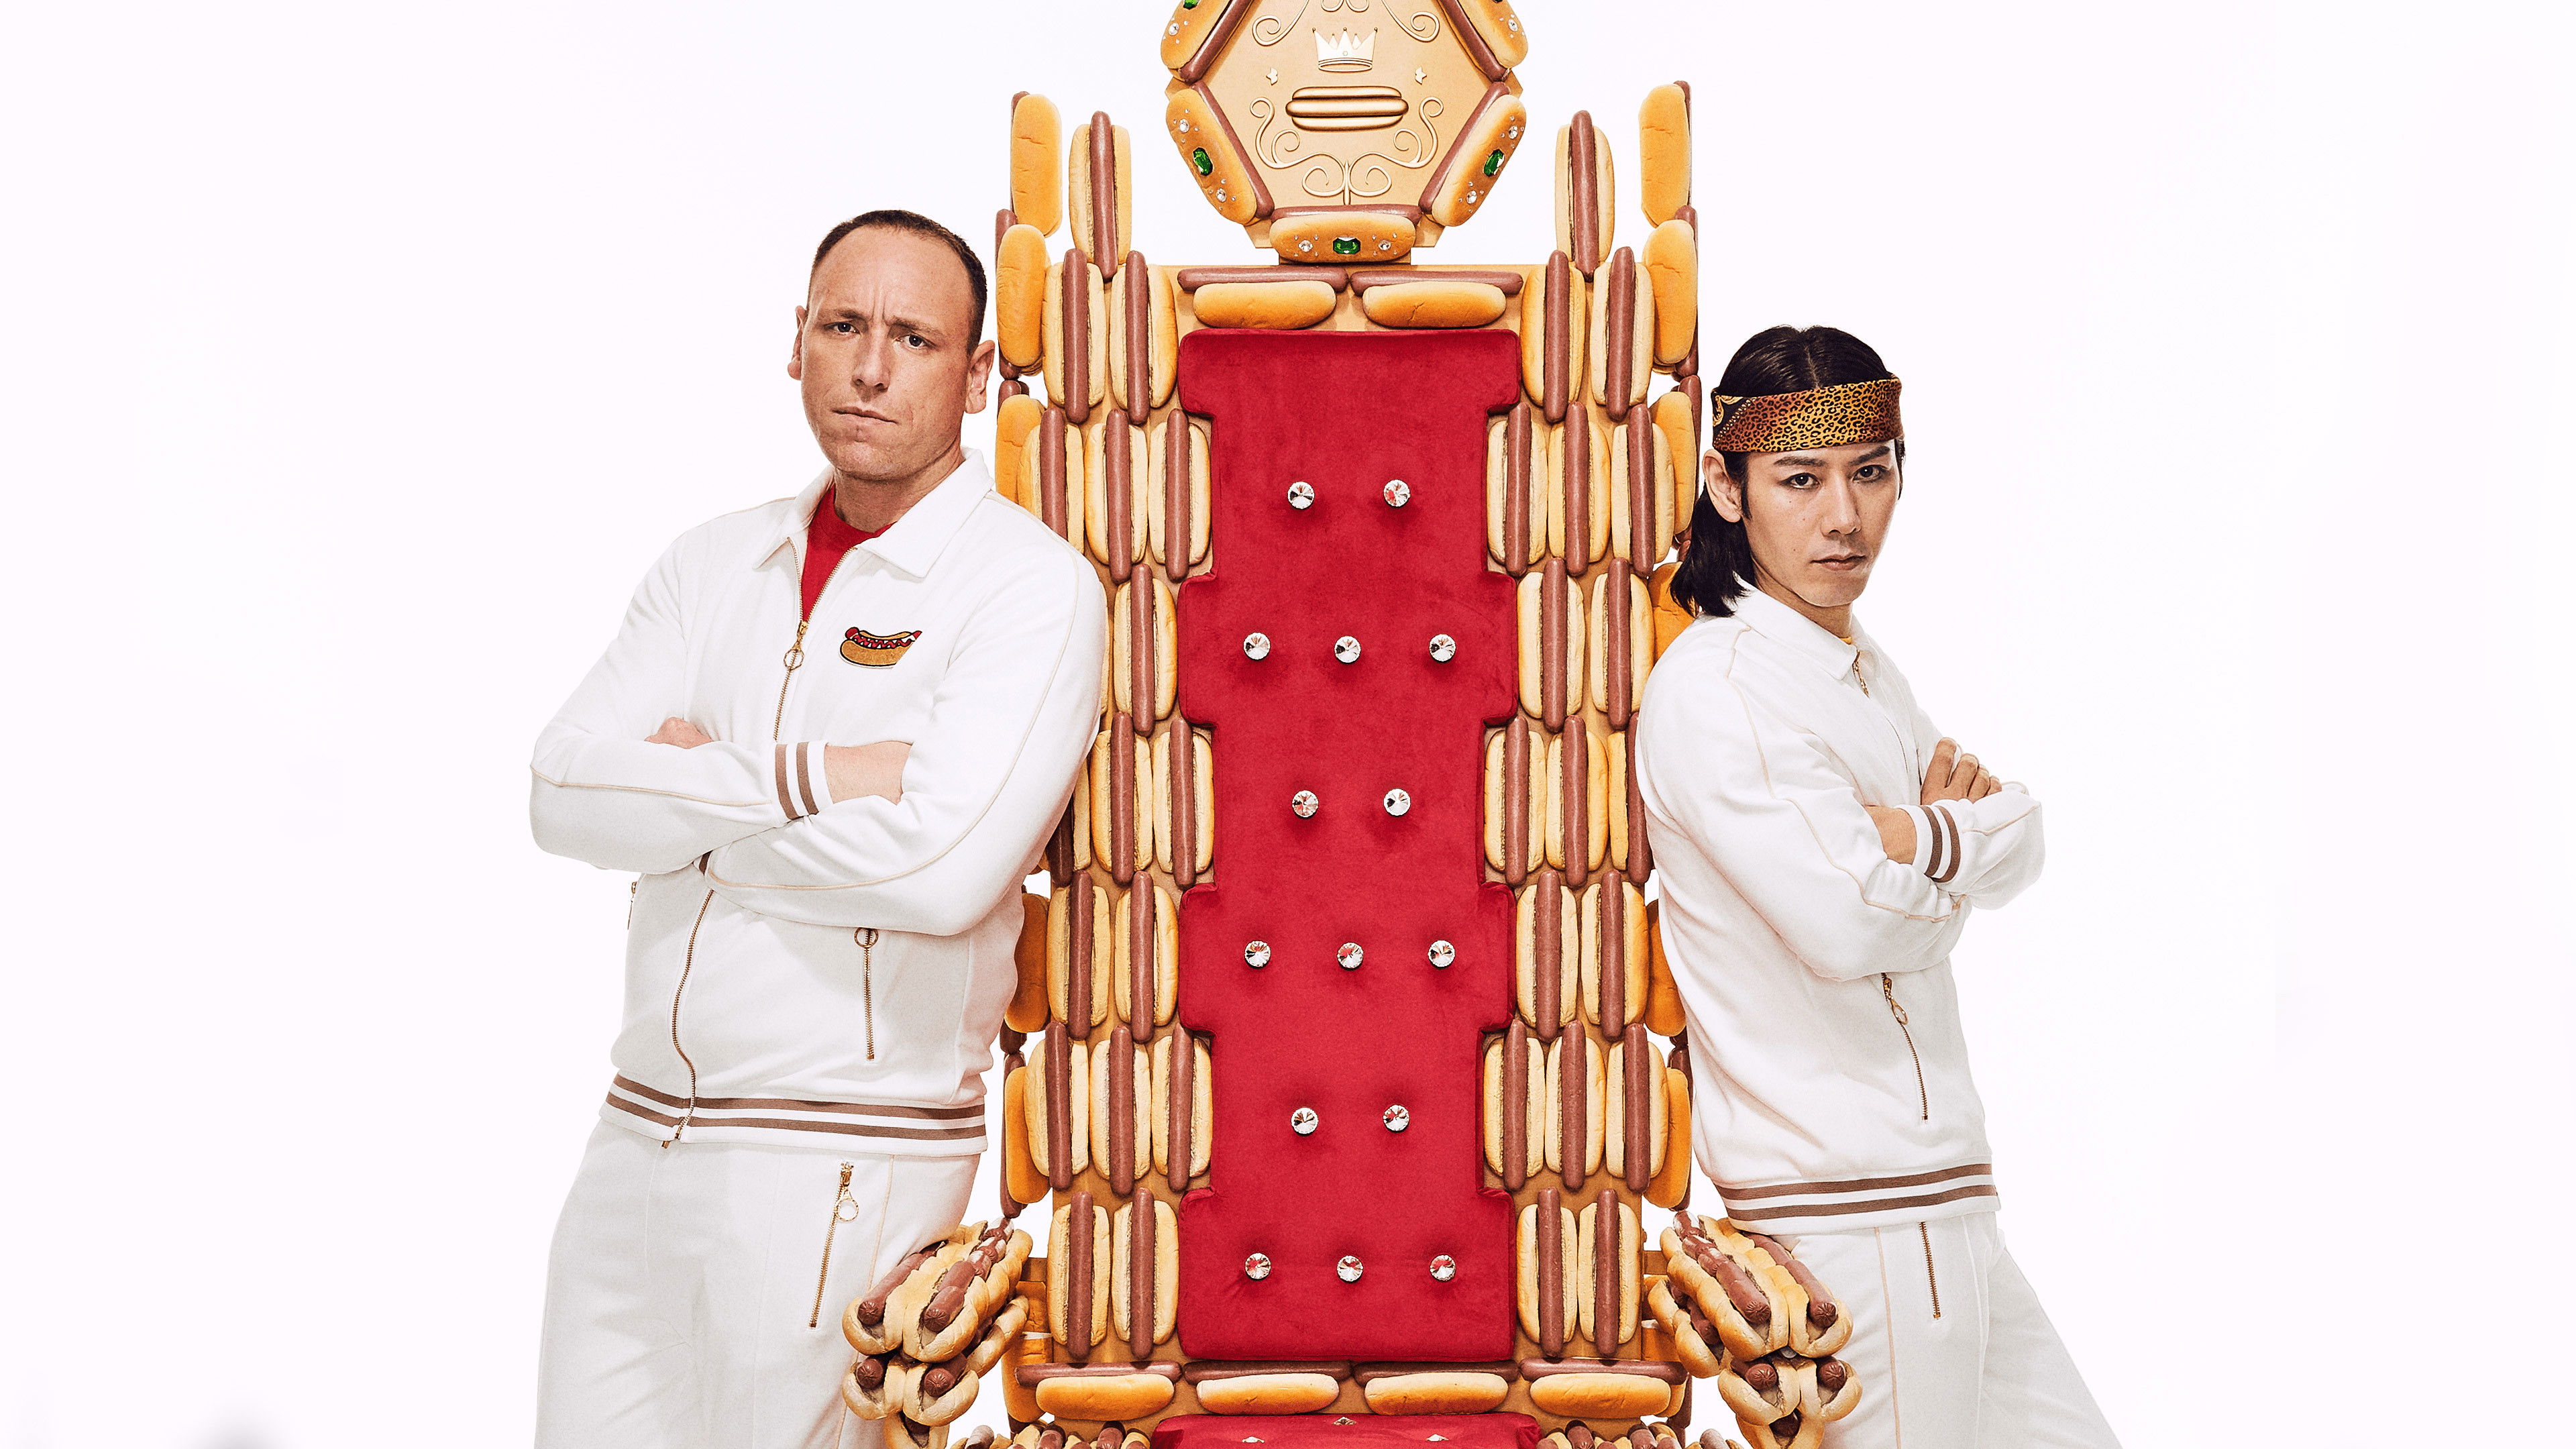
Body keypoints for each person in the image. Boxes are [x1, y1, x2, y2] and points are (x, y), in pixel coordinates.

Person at [525, 209, 1106, 1449]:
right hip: (634, 1139)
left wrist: (687, 808)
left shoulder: (1027, 587)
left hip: (842, 1159)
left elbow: (944, 869)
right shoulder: (713, 564)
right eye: (844, 326)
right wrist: (831, 779)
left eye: (915, 338)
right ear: (796, 341)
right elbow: (561, 794)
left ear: (978, 374)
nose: (872, 367)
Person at [1635, 327, 2118, 1446]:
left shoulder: (1859, 670)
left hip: (1945, 1203)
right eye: (1800, 481)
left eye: (1870, 472)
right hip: (1850, 1218)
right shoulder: (1723, 688)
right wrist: (1950, 845)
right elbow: (1851, 922)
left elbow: (2022, 831)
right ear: (1727, 487)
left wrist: (1910, 836)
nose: (1844, 518)